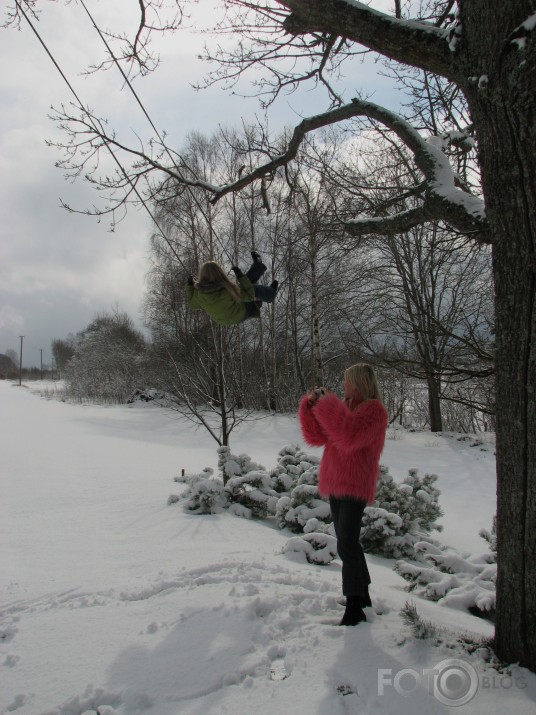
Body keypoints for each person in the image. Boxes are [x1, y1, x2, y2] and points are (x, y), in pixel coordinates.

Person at [298, 363, 388, 626]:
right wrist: (311, 406)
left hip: (354, 484)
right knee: (348, 543)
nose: (344, 385)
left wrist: (329, 405)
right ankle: (363, 597)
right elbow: (316, 436)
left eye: (347, 380)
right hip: (336, 482)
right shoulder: (346, 408)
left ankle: (354, 608)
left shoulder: (374, 410)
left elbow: (348, 436)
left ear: (359, 382)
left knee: (346, 544)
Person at [185, 252, 278, 325]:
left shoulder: (200, 294)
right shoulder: (227, 290)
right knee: (251, 288)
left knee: (242, 287)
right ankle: (270, 294)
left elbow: (192, 305)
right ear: (219, 273)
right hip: (241, 314)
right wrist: (241, 276)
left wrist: (190, 286)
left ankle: (258, 265)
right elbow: (250, 295)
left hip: (222, 320)